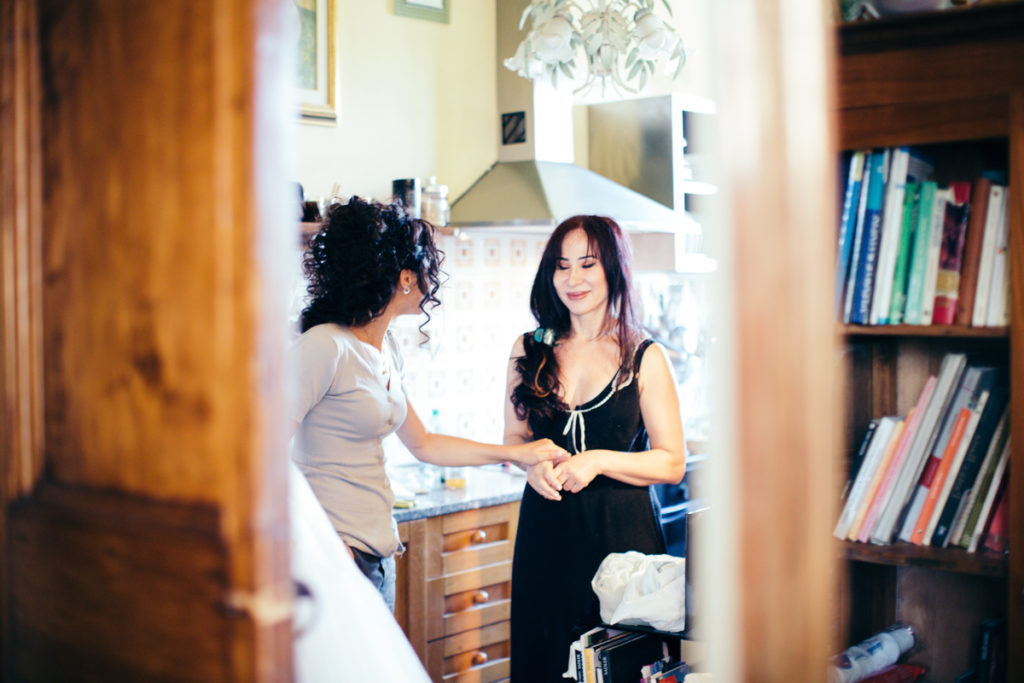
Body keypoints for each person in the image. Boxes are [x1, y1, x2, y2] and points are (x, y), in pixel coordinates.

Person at [288, 196, 568, 612]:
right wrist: (325, 545)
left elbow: (425, 443)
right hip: (337, 557)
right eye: (425, 269)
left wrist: (517, 454)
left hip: (378, 557)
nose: (431, 279)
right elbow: (262, 458)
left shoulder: (385, 349)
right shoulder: (324, 346)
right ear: (404, 277)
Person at [504, 214, 687, 682]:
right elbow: (514, 442)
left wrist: (598, 461)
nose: (573, 279)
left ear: (614, 269)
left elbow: (672, 462)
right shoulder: (527, 350)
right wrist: (529, 467)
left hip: (625, 547)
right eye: (562, 266)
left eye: (587, 264)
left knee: (626, 668)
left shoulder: (643, 356)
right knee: (543, 665)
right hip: (546, 538)